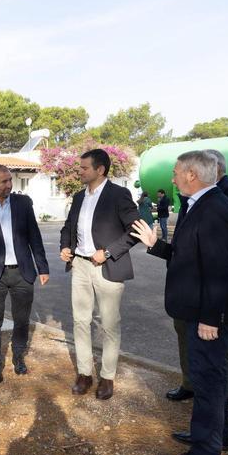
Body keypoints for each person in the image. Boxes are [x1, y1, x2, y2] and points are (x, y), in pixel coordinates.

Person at [130, 151, 228, 455]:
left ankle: (205, 454)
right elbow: (187, 256)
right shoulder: (198, 205)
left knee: (209, 382)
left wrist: (211, 318)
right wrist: (155, 245)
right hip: (197, 309)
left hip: (206, 315)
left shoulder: (214, 209)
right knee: (208, 380)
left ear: (191, 176)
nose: (171, 178)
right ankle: (211, 436)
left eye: (175, 173)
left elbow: (219, 269)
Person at [165, 150, 228, 430]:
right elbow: (187, 248)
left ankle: (215, 430)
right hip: (191, 295)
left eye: (176, 172)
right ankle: (194, 392)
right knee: (193, 350)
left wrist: (222, 298)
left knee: (216, 363)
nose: (173, 178)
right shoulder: (193, 201)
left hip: (215, 299)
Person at [59, 149, 140, 399]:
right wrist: (65, 246)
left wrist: (108, 252)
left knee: (109, 325)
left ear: (100, 170)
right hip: (80, 266)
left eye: (84, 168)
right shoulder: (78, 197)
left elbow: (136, 230)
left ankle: (107, 377)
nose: (79, 172)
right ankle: (84, 374)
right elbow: (68, 227)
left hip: (106, 267)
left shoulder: (119, 195)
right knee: (80, 321)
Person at [0, 165, 50, 389]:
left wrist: (42, 267)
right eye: (4, 181)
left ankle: (18, 356)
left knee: (22, 320)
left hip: (22, 272)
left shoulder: (23, 204)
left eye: (9, 180)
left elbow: (34, 235)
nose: (9, 185)